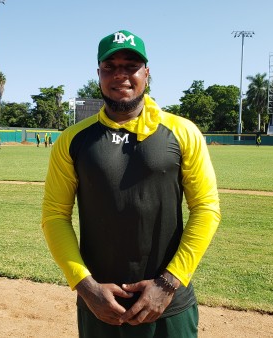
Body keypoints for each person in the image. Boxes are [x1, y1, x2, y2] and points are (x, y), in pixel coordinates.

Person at [41, 29, 221, 338]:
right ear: (99, 74)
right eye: (110, 66)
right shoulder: (72, 140)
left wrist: (167, 284)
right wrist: (86, 287)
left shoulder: (182, 132)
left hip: (169, 305)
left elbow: (206, 209)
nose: (120, 75)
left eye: (130, 65)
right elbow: (55, 216)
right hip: (100, 305)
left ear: (147, 73)